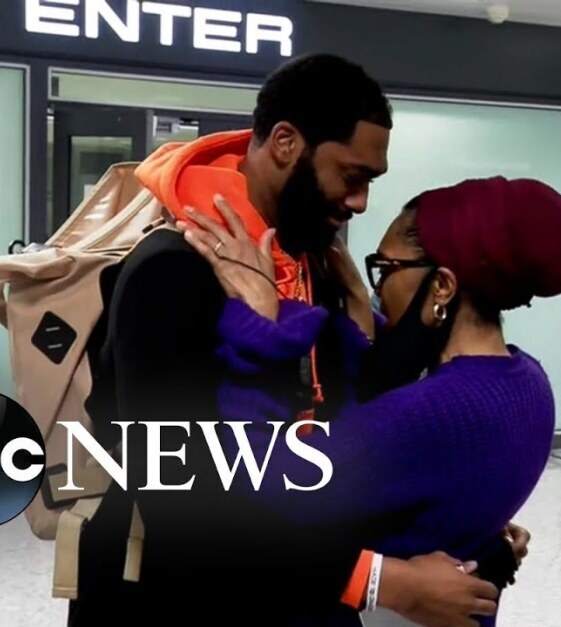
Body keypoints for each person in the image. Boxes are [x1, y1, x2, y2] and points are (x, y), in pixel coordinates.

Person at [70, 53, 511, 626]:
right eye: (351, 176)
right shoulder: (174, 268)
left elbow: (335, 427)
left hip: (292, 594)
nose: (360, 202)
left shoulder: (309, 262)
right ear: (285, 143)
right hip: (169, 601)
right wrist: (381, 582)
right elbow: (179, 497)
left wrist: (460, 518)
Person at [178, 175, 561, 626]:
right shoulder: (529, 381)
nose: (377, 289)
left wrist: (259, 332)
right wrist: (356, 303)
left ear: (442, 287)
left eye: (385, 270)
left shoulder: (433, 412)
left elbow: (262, 475)